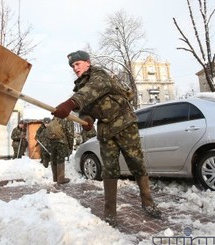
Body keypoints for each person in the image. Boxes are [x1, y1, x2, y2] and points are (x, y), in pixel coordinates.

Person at [52, 50, 161, 226]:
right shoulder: (79, 87)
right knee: (109, 170)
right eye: (73, 66)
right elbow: (87, 111)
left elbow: (93, 90)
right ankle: (110, 212)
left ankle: (147, 202)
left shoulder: (99, 75)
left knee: (136, 162)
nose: (75, 68)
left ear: (87, 62)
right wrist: (86, 120)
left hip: (124, 123)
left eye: (77, 64)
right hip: (106, 130)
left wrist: (70, 103)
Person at [45, 117, 74, 184]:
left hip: (52, 142)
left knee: (54, 159)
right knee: (60, 159)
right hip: (61, 142)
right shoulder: (68, 119)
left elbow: (47, 132)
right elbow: (70, 134)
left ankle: (55, 178)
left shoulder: (53, 119)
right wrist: (70, 146)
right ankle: (61, 178)